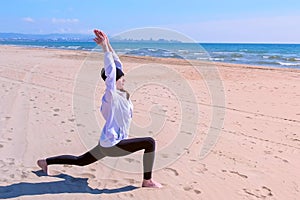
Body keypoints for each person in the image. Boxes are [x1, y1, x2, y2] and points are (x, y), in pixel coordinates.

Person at [37, 29, 162, 188]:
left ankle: (45, 162)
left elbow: (117, 65)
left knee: (80, 161)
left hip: (109, 142)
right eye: (122, 79)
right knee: (149, 142)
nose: (124, 80)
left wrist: (108, 44)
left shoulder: (121, 94)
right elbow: (111, 71)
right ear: (114, 81)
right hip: (113, 144)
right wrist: (104, 49)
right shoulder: (111, 95)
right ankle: (147, 181)